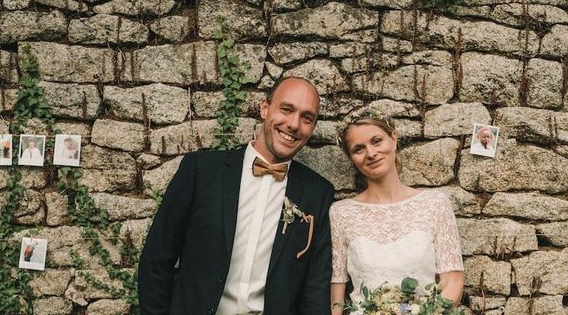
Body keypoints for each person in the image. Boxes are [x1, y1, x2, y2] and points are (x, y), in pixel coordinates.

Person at [138, 76, 335, 315]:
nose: (294, 124)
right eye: (286, 109)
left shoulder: (318, 193)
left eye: (307, 118)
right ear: (264, 109)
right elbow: (157, 258)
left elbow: (315, 287)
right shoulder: (201, 171)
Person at [330, 110, 464, 314]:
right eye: (359, 149)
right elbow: (337, 295)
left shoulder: (435, 204)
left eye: (377, 141)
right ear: (351, 158)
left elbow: (452, 283)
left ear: (393, 139)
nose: (371, 153)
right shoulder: (341, 213)